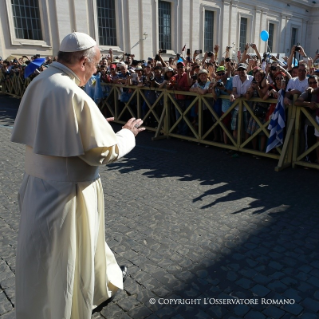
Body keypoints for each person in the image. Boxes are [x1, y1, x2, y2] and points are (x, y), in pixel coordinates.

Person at [11, 31, 145, 319]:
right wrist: (126, 134)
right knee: (69, 257)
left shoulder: (42, 81)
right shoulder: (71, 92)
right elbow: (102, 153)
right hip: (68, 197)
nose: (96, 71)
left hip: (38, 188)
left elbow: (58, 129)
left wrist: (94, 123)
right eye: (95, 65)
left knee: (43, 257)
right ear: (83, 61)